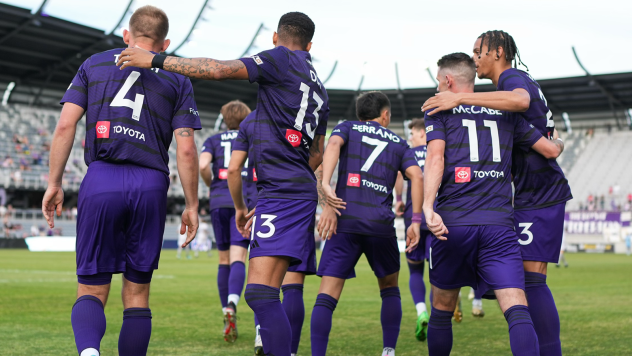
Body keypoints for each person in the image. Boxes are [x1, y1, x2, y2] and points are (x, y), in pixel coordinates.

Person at [118, 12, 329, 356]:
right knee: (270, 289)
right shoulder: (319, 86)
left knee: (260, 292)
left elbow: (217, 69)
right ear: (310, 45)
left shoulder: (280, 59)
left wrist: (154, 59)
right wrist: (282, 183)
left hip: (283, 193)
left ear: (276, 38)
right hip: (290, 191)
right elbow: (316, 152)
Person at [41, 6, 201, 356]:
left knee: (91, 291)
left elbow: (66, 125)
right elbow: (186, 149)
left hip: (102, 179)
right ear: (165, 44)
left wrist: (54, 182)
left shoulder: (95, 64)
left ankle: (88, 352)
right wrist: (191, 204)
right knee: (137, 294)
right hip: (151, 184)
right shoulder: (177, 77)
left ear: (126, 36)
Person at [422, 31, 573, 356]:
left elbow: (435, 157)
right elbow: (549, 148)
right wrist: (559, 141)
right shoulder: (503, 110)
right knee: (517, 304)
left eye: (480, 51)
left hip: (465, 218)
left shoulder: (504, 85)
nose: (477, 58)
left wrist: (426, 206)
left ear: (447, 81)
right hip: (500, 223)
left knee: (443, 307)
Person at [312, 91, 423, 356]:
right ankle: (388, 351)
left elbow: (333, 145)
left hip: (345, 219)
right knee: (389, 288)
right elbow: (417, 177)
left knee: (327, 295)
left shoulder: (347, 127)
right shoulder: (399, 142)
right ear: (385, 115)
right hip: (380, 224)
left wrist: (327, 186)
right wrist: (415, 221)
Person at [228, 109, 320, 356]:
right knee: (292, 283)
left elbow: (234, 169)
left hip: (269, 202)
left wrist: (239, 208)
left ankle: (264, 333)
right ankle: (288, 349)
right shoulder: (314, 104)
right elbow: (318, 153)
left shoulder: (252, 119)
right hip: (302, 197)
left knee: (262, 288)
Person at [199, 100, 251, 342]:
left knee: (223, 259)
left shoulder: (214, 139)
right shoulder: (252, 137)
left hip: (219, 200)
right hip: (245, 201)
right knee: (239, 257)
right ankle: (233, 301)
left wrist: (212, 184)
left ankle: (225, 313)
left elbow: (202, 165)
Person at [394, 118, 432, 341]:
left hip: (414, 217)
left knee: (415, 270)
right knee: (439, 271)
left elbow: (399, 176)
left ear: (423, 134)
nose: (410, 139)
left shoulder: (409, 154)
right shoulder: (442, 152)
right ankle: (438, 317)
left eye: (413, 134)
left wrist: (399, 199)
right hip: (439, 216)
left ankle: (421, 311)